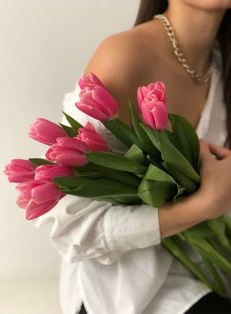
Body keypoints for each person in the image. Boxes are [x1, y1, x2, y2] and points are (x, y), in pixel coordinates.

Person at [37, 1, 231, 313]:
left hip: (206, 274)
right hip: (122, 292)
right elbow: (69, 228)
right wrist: (203, 206)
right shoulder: (123, 57)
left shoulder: (221, 66)